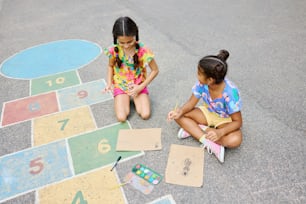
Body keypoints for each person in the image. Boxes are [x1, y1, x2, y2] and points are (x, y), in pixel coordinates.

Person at [167, 50, 242, 163]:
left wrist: (220, 132)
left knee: (235, 140)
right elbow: (191, 103)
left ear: (210, 80)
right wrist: (179, 111)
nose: (197, 76)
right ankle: (209, 143)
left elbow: (237, 122)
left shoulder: (230, 93)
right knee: (179, 115)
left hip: (225, 120)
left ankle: (195, 130)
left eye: (199, 73)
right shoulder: (202, 84)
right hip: (207, 112)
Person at [103, 16, 159, 122]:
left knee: (145, 114)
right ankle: (125, 98)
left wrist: (140, 87)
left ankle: (134, 98)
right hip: (121, 84)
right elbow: (110, 66)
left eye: (129, 41)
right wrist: (109, 83)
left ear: (135, 35)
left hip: (138, 84)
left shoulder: (143, 50)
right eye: (122, 42)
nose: (126, 46)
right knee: (121, 117)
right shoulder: (113, 50)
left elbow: (155, 70)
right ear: (116, 38)